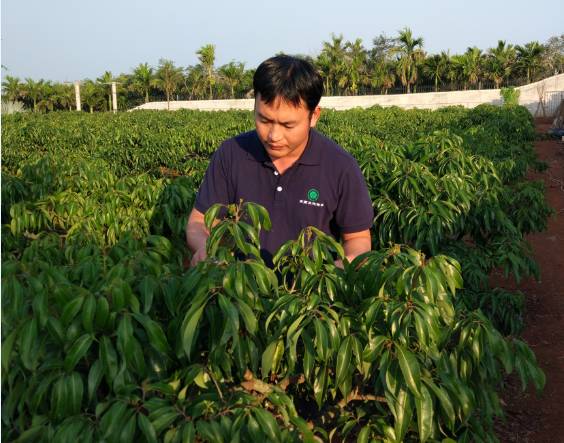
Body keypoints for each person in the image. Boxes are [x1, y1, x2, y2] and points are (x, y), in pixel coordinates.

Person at [185, 55, 373, 268]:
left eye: (288, 125)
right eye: (264, 120)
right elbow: (198, 222)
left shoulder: (340, 167)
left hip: (308, 297)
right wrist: (204, 248)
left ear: (314, 116)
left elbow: (357, 239)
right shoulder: (231, 154)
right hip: (238, 291)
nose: (273, 135)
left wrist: (335, 270)